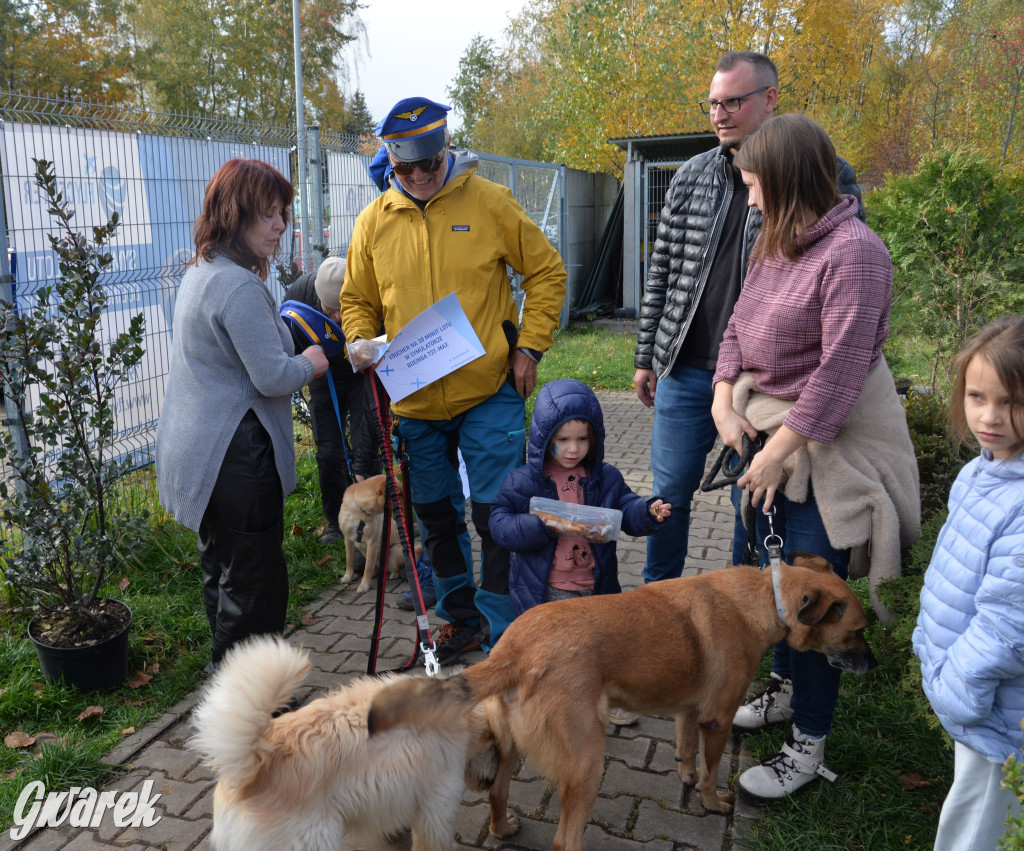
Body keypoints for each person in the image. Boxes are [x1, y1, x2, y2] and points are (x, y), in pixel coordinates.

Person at [709, 113, 919, 800]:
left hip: (813, 452)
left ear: (786, 179)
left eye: (752, 184)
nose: (748, 198)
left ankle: (808, 743)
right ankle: (781, 688)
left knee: (813, 602)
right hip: (765, 438)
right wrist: (722, 400)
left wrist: (777, 453)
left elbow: (841, 370)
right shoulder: (773, 240)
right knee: (771, 590)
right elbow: (736, 328)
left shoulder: (856, 252)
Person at [340, 96, 567, 664]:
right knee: (436, 517)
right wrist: (359, 340)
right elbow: (357, 300)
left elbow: (546, 271)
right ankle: (460, 619)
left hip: (486, 391)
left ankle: (503, 631)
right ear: (391, 164)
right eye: (406, 168)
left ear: (447, 149)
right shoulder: (373, 222)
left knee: (496, 515)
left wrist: (530, 347)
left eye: (430, 164)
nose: (419, 177)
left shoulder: (489, 201)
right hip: (414, 401)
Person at [632, 51, 863, 584]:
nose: (719, 114)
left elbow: (835, 288)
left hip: (766, 382)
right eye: (712, 103)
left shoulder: (826, 176)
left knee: (753, 498)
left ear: (770, 98)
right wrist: (647, 355)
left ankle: (745, 606)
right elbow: (661, 271)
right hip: (688, 369)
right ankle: (658, 600)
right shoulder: (690, 175)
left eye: (732, 101)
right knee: (668, 497)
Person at [155, 159, 329, 672]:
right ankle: (246, 697)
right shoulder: (238, 286)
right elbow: (272, 376)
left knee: (224, 572)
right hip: (235, 456)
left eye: (282, 214)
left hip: (202, 454)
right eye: (267, 214)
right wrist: (311, 362)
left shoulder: (202, 270)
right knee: (255, 586)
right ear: (235, 214)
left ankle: (229, 690)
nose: (280, 226)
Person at [489, 378, 670, 722]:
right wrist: (537, 526)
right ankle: (538, 701)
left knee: (602, 646)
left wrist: (648, 512)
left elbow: (627, 508)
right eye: (563, 440)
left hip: (596, 584)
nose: (573, 449)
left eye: (582, 439)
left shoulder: (606, 478)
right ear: (544, 438)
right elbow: (499, 522)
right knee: (551, 649)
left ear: (595, 438)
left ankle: (608, 698)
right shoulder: (524, 481)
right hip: (547, 587)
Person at [914, 316, 1024, 851]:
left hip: (1000, 718)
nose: (990, 416)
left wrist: (956, 690)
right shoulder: (982, 470)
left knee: (977, 831)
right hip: (978, 701)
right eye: (978, 396)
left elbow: (1008, 624)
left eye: (1013, 402)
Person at [283, 256, 378, 547]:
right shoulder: (300, 293)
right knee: (328, 450)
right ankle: (337, 523)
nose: (337, 317)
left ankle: (372, 521)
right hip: (323, 375)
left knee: (365, 444)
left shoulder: (367, 290)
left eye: (343, 309)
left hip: (361, 372)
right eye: (330, 310)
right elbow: (286, 338)